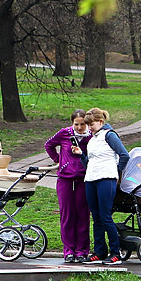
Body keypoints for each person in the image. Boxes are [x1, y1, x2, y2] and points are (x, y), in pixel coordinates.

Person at [72, 107, 130, 265]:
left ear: (100, 122)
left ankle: (115, 252)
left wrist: (115, 171)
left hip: (106, 179)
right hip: (91, 179)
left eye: (91, 124)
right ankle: (100, 251)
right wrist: (81, 155)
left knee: (105, 216)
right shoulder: (92, 140)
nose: (89, 128)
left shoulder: (109, 135)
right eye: (87, 125)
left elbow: (124, 155)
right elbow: (89, 163)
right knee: (96, 217)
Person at [44, 109, 91, 263]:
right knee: (67, 215)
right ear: (72, 123)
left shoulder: (90, 137)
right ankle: (69, 251)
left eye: (82, 124)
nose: (79, 127)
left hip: (83, 179)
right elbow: (48, 145)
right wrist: (59, 161)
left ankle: (82, 251)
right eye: (76, 124)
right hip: (64, 178)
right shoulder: (65, 133)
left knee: (82, 215)